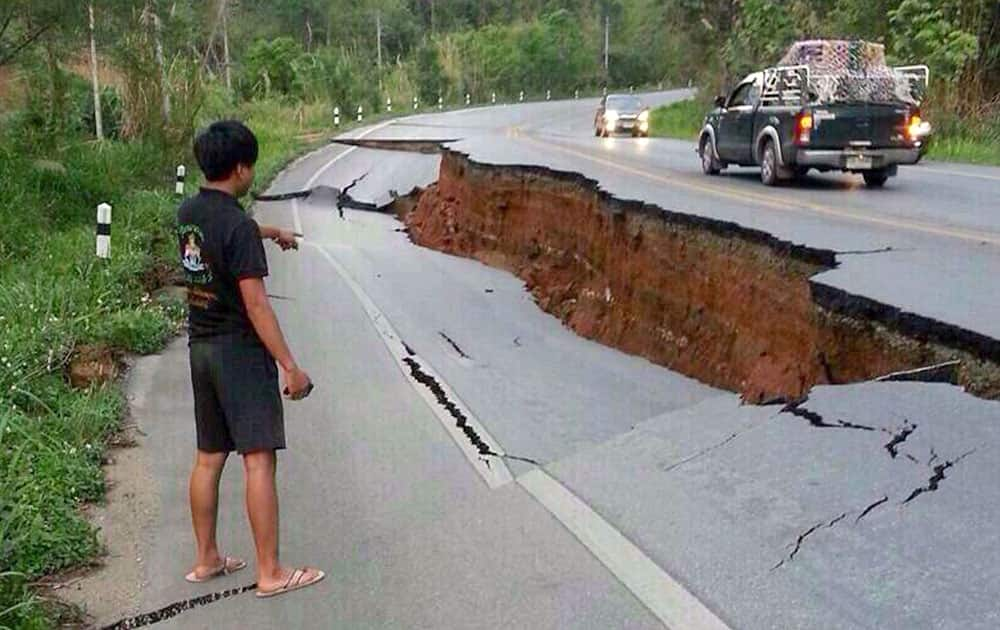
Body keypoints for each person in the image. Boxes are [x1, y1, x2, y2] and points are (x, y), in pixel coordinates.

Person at [176, 120, 324, 598]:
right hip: (239, 354)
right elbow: (256, 303)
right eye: (251, 166)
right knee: (258, 460)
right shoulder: (237, 226)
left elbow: (225, 232)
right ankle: (270, 572)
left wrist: (271, 229)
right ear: (240, 169)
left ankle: (206, 560)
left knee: (208, 458)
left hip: (201, 349)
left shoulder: (189, 213)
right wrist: (289, 365)